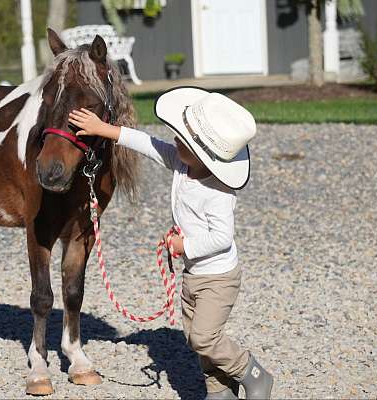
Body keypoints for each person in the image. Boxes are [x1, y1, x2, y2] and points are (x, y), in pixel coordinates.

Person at [68, 87, 274, 400]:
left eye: (183, 140)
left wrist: (183, 246)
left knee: (205, 337)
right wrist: (104, 129)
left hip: (219, 278)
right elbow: (147, 144)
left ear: (205, 153)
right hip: (194, 275)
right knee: (195, 337)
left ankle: (252, 372)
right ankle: (219, 391)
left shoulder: (217, 191)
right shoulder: (182, 162)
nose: (175, 142)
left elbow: (221, 237)